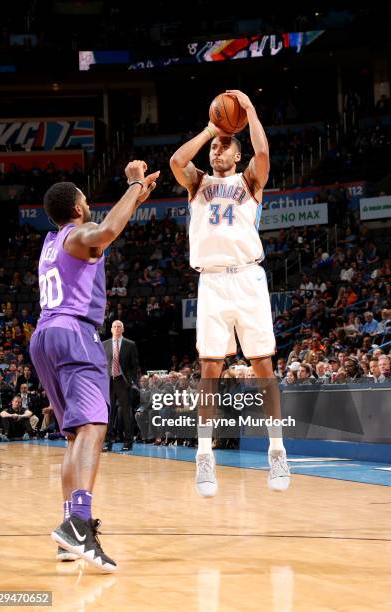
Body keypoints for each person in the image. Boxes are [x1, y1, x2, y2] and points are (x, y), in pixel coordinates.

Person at [29, 161, 159, 571]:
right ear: (80, 207)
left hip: (45, 335)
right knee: (93, 428)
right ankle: (80, 525)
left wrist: (135, 198)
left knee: (73, 435)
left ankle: (70, 526)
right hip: (75, 333)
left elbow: (101, 236)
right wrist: (134, 183)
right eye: (87, 202)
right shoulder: (78, 235)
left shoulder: (52, 241)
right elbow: (105, 232)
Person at [170, 89, 290, 497]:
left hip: (247, 278)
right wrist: (210, 128)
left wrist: (251, 110)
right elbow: (176, 161)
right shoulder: (197, 182)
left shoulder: (250, 179)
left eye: (224, 147)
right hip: (212, 282)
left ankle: (277, 449)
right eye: (215, 148)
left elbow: (263, 152)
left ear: (236, 156)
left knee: (263, 367)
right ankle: (205, 456)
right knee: (209, 369)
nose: (217, 152)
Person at [102, 320, 139, 452]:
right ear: (111, 329)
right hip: (109, 382)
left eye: (119, 327)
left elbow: (135, 366)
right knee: (109, 413)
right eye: (115, 326)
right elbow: (101, 365)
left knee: (126, 412)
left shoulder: (130, 344)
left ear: (123, 330)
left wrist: (132, 381)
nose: (117, 329)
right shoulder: (104, 344)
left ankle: (128, 441)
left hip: (123, 382)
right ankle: (107, 441)